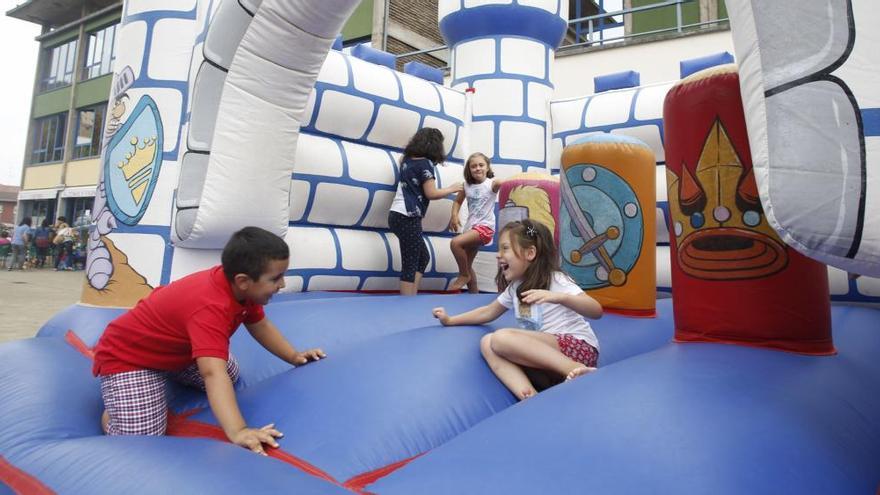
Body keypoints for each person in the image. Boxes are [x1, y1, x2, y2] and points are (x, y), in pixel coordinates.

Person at [92, 226, 326, 455]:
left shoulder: (243, 290)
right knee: (143, 438)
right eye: (276, 278)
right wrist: (239, 431)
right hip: (130, 357)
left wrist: (294, 356)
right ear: (243, 280)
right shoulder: (210, 307)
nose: (282, 285)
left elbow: (260, 325)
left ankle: (160, 376)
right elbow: (212, 374)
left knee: (230, 373)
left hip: (176, 351)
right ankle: (116, 414)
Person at [432, 219, 603, 400]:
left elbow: (596, 310)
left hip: (578, 350)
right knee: (487, 343)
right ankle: (529, 396)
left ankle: (576, 370)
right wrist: (450, 320)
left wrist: (559, 297)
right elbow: (488, 312)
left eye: (505, 248)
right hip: (548, 366)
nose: (499, 255)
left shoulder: (555, 279)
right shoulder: (515, 288)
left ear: (530, 253)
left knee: (501, 338)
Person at [387, 127, 462, 295]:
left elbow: (401, 159)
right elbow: (431, 193)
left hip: (396, 216)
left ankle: (411, 296)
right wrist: (452, 188)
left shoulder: (406, 159)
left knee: (423, 258)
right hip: (407, 216)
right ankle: (407, 303)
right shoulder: (425, 163)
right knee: (410, 263)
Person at [448, 152, 504, 293]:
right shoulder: (466, 186)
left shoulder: (491, 184)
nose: (477, 168)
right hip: (471, 228)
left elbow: (502, 183)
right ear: (469, 169)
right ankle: (474, 294)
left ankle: (463, 274)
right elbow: (458, 201)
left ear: (487, 167)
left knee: (455, 243)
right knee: (467, 264)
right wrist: (454, 215)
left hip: (485, 228)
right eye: (473, 166)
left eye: (481, 165)